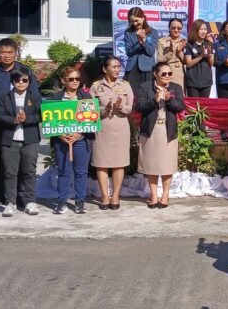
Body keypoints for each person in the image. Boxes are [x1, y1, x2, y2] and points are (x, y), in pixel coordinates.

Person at [0, 38, 38, 209]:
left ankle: (21, 196)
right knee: (2, 161)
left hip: (24, 123)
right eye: (3, 52)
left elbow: (34, 95)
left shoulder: (24, 70)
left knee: (23, 162)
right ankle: (0, 195)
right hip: (1, 122)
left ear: (16, 53)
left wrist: (26, 116)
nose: (6, 55)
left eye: (10, 52)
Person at [135, 62, 184, 208]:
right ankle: (154, 195)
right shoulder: (144, 87)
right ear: (155, 74)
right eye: (164, 74)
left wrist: (169, 100)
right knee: (152, 165)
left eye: (170, 73)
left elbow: (180, 107)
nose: (167, 76)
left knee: (167, 165)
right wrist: (154, 101)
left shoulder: (176, 87)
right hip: (151, 130)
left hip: (168, 130)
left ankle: (165, 195)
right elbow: (140, 107)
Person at [0, 70, 43, 217]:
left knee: (29, 172)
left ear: (29, 82)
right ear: (12, 82)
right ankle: (10, 202)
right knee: (10, 173)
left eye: (24, 80)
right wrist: (14, 120)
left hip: (30, 139)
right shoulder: (3, 97)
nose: (21, 83)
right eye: (17, 80)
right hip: (9, 139)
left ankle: (30, 201)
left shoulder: (35, 97)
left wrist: (27, 119)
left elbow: (41, 116)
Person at [48, 66, 94, 215]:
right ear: (63, 81)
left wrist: (79, 134)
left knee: (81, 172)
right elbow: (50, 122)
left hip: (81, 140)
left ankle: (80, 202)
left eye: (77, 78)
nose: (75, 81)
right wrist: (60, 134)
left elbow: (90, 121)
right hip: (62, 141)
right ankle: (62, 202)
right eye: (71, 79)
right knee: (63, 171)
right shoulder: (55, 98)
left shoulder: (86, 97)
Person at [90, 56, 134, 211]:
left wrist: (120, 107)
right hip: (102, 128)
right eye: (114, 66)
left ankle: (115, 195)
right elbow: (90, 110)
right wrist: (105, 108)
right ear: (105, 69)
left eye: (118, 66)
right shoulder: (96, 87)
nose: (117, 69)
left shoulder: (125, 85)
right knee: (101, 163)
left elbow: (130, 108)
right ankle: (104, 196)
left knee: (118, 163)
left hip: (120, 127)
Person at [123, 6, 156, 92]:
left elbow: (151, 52)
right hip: (132, 68)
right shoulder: (128, 33)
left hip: (148, 68)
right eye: (132, 21)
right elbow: (128, 52)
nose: (134, 23)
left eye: (136, 20)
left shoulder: (152, 32)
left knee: (148, 94)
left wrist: (144, 41)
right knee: (132, 94)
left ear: (143, 18)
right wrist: (139, 43)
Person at [183, 19, 214, 98]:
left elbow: (211, 64)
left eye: (205, 29)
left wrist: (210, 53)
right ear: (195, 30)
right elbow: (189, 64)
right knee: (194, 104)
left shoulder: (208, 44)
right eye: (201, 29)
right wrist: (201, 56)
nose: (204, 31)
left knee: (204, 104)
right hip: (192, 81)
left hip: (206, 81)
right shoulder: (189, 44)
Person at [156, 18, 188, 90]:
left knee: (179, 94)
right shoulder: (162, 41)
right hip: (166, 73)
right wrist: (170, 53)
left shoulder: (184, 42)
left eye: (179, 28)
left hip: (180, 74)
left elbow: (186, 62)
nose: (176, 30)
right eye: (173, 28)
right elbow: (159, 60)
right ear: (169, 28)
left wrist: (179, 52)